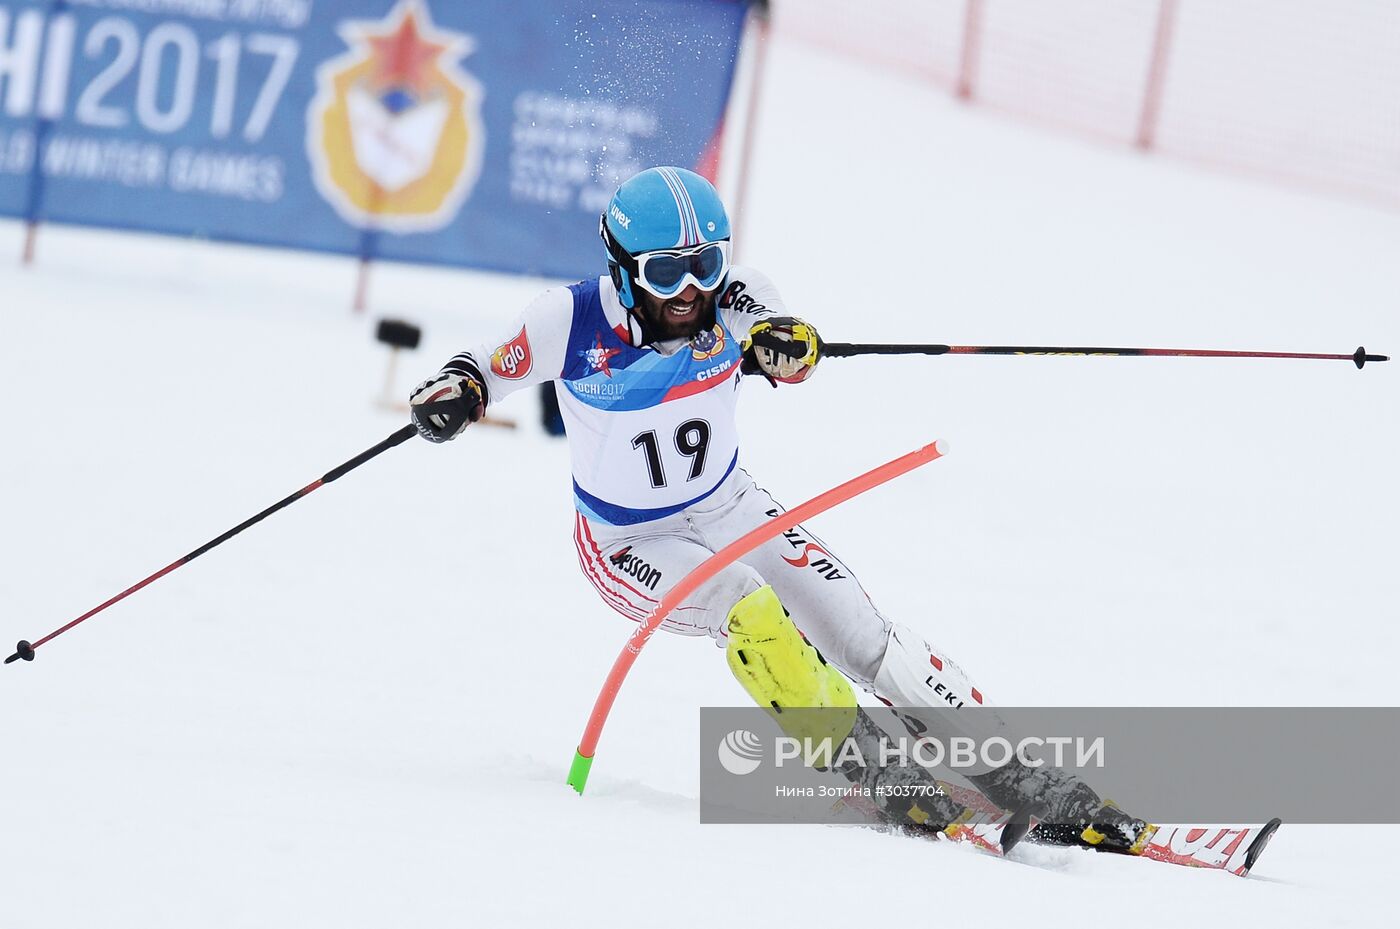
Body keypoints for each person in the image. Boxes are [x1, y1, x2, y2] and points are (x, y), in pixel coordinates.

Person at [408, 166, 1147, 851]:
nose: (690, 289)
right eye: (666, 273)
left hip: (730, 504)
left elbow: (769, 330)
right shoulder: (567, 322)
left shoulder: (732, 296)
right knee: (748, 607)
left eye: (705, 265)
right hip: (628, 539)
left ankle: (1017, 772)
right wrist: (456, 392)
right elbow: (482, 366)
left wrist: (781, 346)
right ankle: (868, 763)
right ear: (623, 269)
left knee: (862, 634)